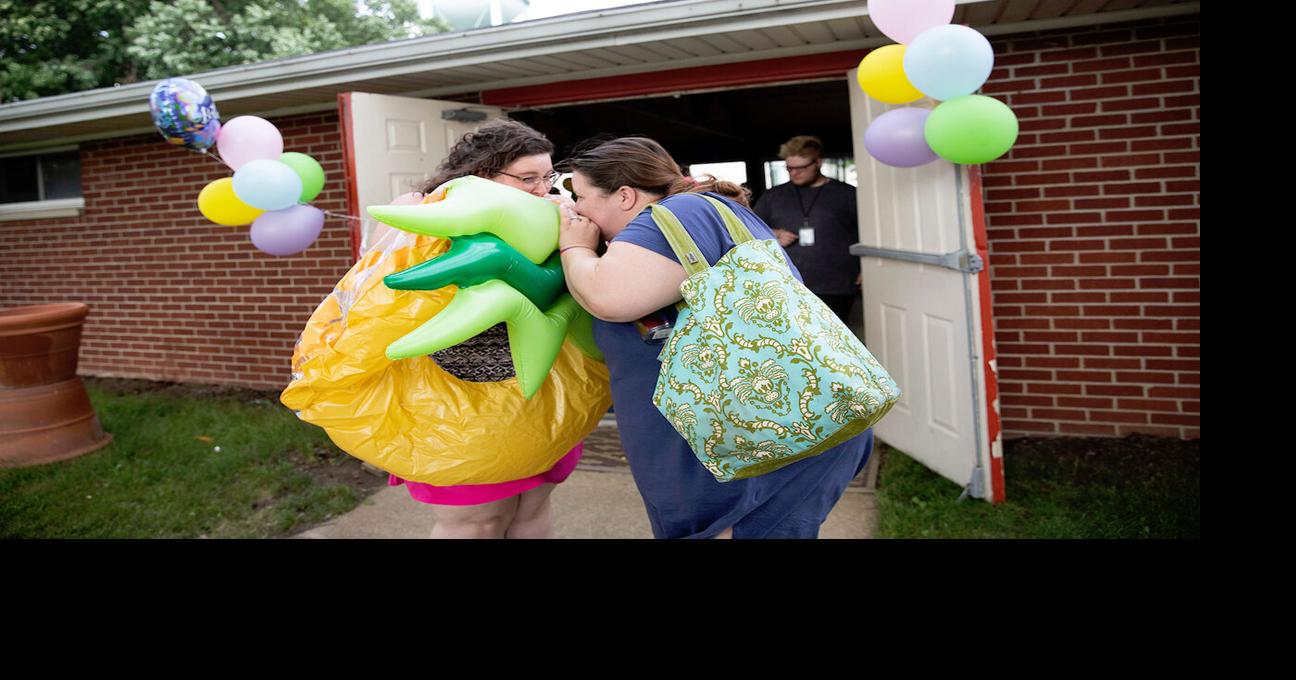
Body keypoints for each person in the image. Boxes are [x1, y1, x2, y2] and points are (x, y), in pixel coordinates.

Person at [555, 136, 874, 539]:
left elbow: (606, 297)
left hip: (746, 437)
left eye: (580, 197)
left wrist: (573, 247)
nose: (575, 209)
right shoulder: (705, 210)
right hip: (775, 425)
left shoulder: (678, 213)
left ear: (623, 196)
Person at [383, 119, 581, 539]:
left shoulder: (557, 215)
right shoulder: (425, 207)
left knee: (532, 507)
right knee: (475, 520)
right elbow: (383, 286)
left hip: (536, 388)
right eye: (528, 178)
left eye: (549, 177)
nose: (543, 188)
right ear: (480, 172)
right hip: (458, 396)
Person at [753, 135, 861, 323]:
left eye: (801, 168)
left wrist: (866, 269)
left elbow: (868, 234)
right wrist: (774, 234)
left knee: (835, 342)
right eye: (789, 168)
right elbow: (748, 229)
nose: (794, 173)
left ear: (818, 162)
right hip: (788, 283)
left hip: (837, 285)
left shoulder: (847, 194)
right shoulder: (773, 196)